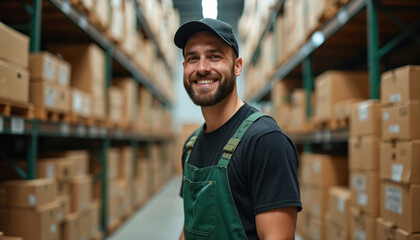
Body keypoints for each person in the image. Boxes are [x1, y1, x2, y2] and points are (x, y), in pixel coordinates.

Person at [174, 18, 302, 240]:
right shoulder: (191, 145)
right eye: (192, 58)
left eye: (214, 56)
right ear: (185, 68)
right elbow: (191, 227)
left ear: (237, 66)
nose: (202, 68)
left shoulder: (264, 141)